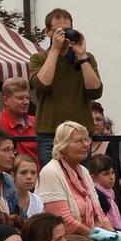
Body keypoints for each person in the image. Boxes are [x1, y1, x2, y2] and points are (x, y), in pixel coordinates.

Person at [26, 9, 101, 162]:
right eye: (58, 30)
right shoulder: (38, 58)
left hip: (80, 132)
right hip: (50, 133)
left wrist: (81, 55)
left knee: (80, 182)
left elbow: (95, 91)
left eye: (67, 30)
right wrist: (54, 49)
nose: (64, 35)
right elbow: (42, 85)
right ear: (47, 32)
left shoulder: (87, 58)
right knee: (53, 181)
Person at [0, 76, 38, 159]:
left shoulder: (37, 123)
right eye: (20, 98)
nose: (26, 102)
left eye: (28, 98)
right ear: (6, 100)